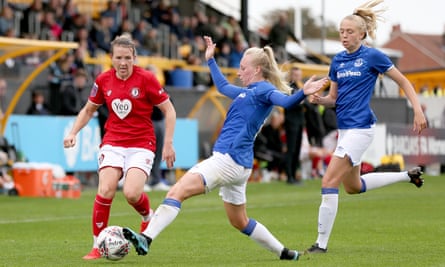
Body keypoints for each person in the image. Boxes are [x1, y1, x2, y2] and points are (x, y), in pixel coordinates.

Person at [121, 35, 328, 261]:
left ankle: (146, 238)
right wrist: (210, 60)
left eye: (243, 68)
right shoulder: (245, 92)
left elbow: (286, 103)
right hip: (239, 164)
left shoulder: (264, 91)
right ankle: (285, 253)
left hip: (227, 159)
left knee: (176, 192)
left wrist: (303, 93)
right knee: (239, 221)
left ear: (257, 69)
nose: (239, 73)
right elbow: (222, 86)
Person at [305, 0, 428, 254]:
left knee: (329, 180)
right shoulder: (337, 61)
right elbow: (335, 100)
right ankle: (408, 176)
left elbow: (404, 81)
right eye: (341, 31)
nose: (344, 36)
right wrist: (320, 99)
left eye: (349, 32)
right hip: (345, 131)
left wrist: (416, 109)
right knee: (352, 187)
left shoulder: (372, 56)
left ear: (362, 34)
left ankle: (320, 245)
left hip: (361, 129)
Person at [63, 34, 177, 260]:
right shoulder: (103, 80)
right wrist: (73, 132)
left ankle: (147, 217)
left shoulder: (147, 79)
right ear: (111, 58)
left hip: (142, 143)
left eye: (127, 58)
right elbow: (88, 110)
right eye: (118, 58)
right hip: (113, 142)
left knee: (132, 194)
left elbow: (169, 110)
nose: (123, 63)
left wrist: (168, 144)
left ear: (135, 57)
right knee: (105, 190)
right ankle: (97, 245)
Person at [283, 66, 305, 184]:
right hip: (291, 122)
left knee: (296, 149)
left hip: (299, 121)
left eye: (299, 74)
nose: (297, 77)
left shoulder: (299, 87)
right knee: (291, 149)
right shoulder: (288, 88)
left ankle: (294, 174)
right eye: (295, 75)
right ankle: (289, 176)